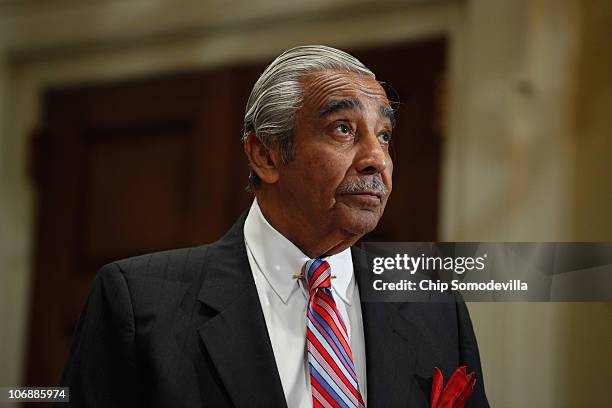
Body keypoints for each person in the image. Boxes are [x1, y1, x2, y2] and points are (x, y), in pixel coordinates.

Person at [60, 45, 489, 407]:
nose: (376, 158)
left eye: (384, 135)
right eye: (343, 129)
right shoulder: (138, 301)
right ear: (265, 155)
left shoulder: (437, 309)